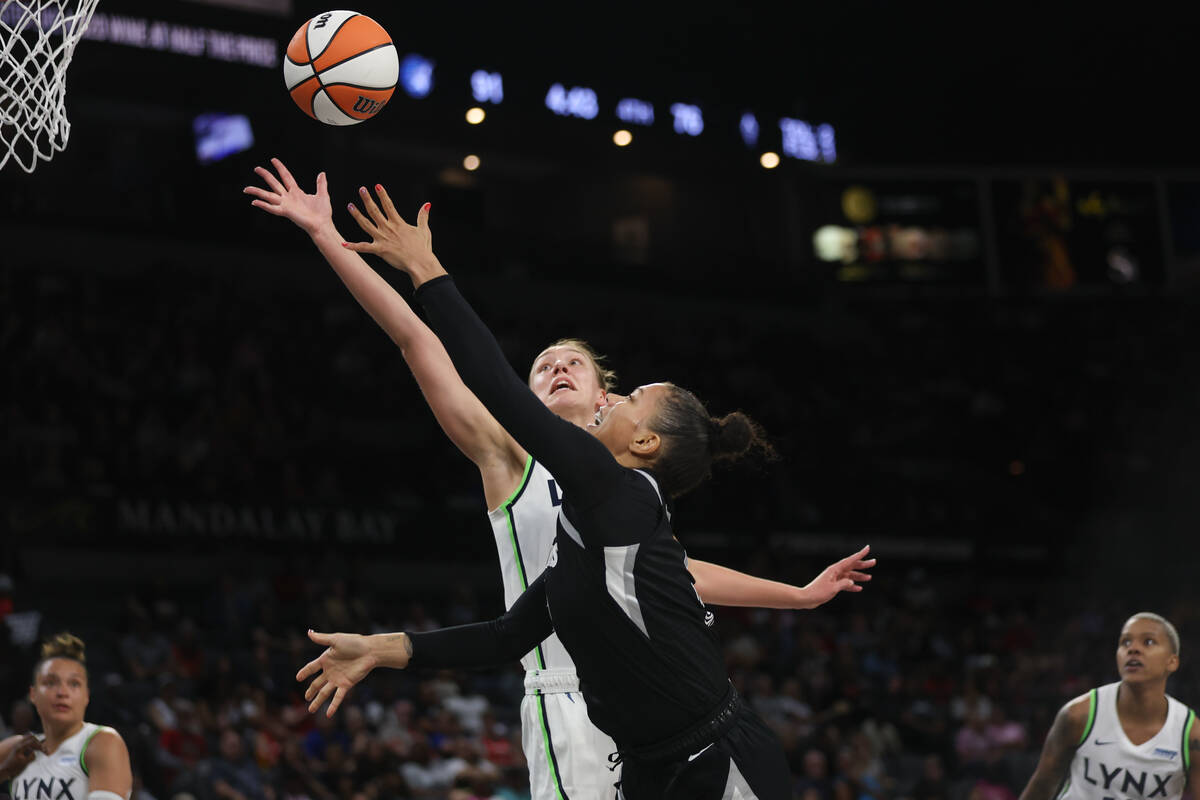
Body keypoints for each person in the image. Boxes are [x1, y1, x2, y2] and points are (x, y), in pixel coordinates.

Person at [246, 160, 875, 799]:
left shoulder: (620, 487)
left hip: (684, 731)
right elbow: (418, 340)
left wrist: (428, 270)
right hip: (582, 708)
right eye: (542, 366)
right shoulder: (524, 461)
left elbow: (682, 573)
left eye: (575, 363)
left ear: (610, 406)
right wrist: (326, 236)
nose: (557, 368)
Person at [1018, 613, 1198, 800]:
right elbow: (1041, 786)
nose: (1133, 649)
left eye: (1149, 642)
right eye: (1125, 642)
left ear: (1172, 661)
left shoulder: (1191, 734)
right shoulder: (1078, 715)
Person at [0, 633, 132, 800]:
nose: (62, 693)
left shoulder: (101, 742)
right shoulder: (16, 748)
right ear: (33, 694)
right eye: (50, 682)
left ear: (86, 696)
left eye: (74, 684)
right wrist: (5, 770)